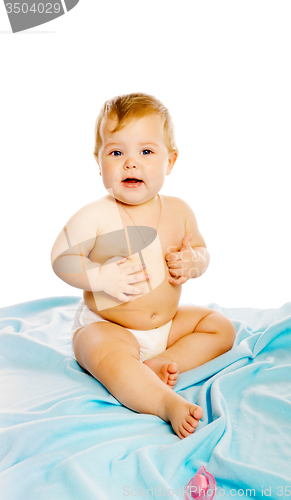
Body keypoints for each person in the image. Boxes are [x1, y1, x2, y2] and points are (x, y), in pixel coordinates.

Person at [51, 93, 236, 439]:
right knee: (109, 357)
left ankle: (154, 367)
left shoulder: (179, 211)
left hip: (165, 327)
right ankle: (164, 402)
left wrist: (193, 262)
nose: (131, 163)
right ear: (99, 159)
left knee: (219, 327)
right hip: (110, 325)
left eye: (146, 152)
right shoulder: (96, 215)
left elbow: (201, 249)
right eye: (117, 152)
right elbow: (60, 260)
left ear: (171, 161)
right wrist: (101, 276)